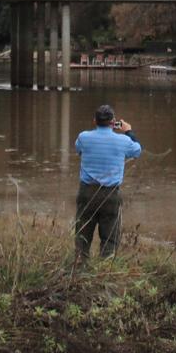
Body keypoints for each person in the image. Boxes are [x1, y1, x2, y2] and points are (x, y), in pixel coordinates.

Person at [74, 104, 142, 259]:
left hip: (87, 192)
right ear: (113, 122)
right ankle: (105, 270)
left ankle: (80, 268)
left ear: (94, 121)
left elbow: (78, 150)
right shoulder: (124, 141)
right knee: (110, 238)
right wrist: (128, 131)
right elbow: (137, 150)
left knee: (82, 235)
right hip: (110, 194)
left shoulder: (83, 137)